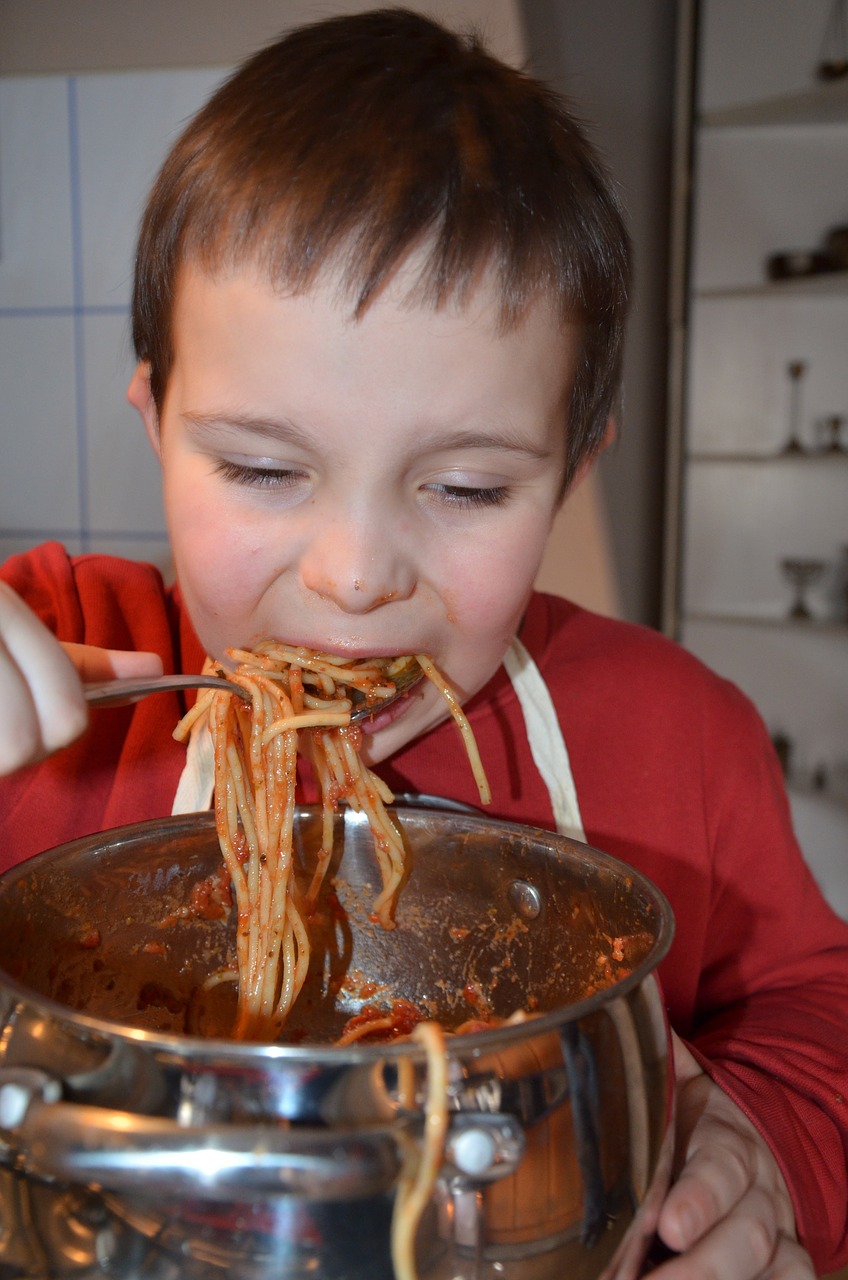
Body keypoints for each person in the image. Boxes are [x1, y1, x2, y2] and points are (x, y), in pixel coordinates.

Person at [0, 9, 845, 1277]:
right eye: (261, 466)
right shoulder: (60, 657)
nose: (353, 579)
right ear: (157, 426)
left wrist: (763, 1143)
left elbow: (810, 1007)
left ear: (566, 479)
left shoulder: (681, 732)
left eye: (463, 488)